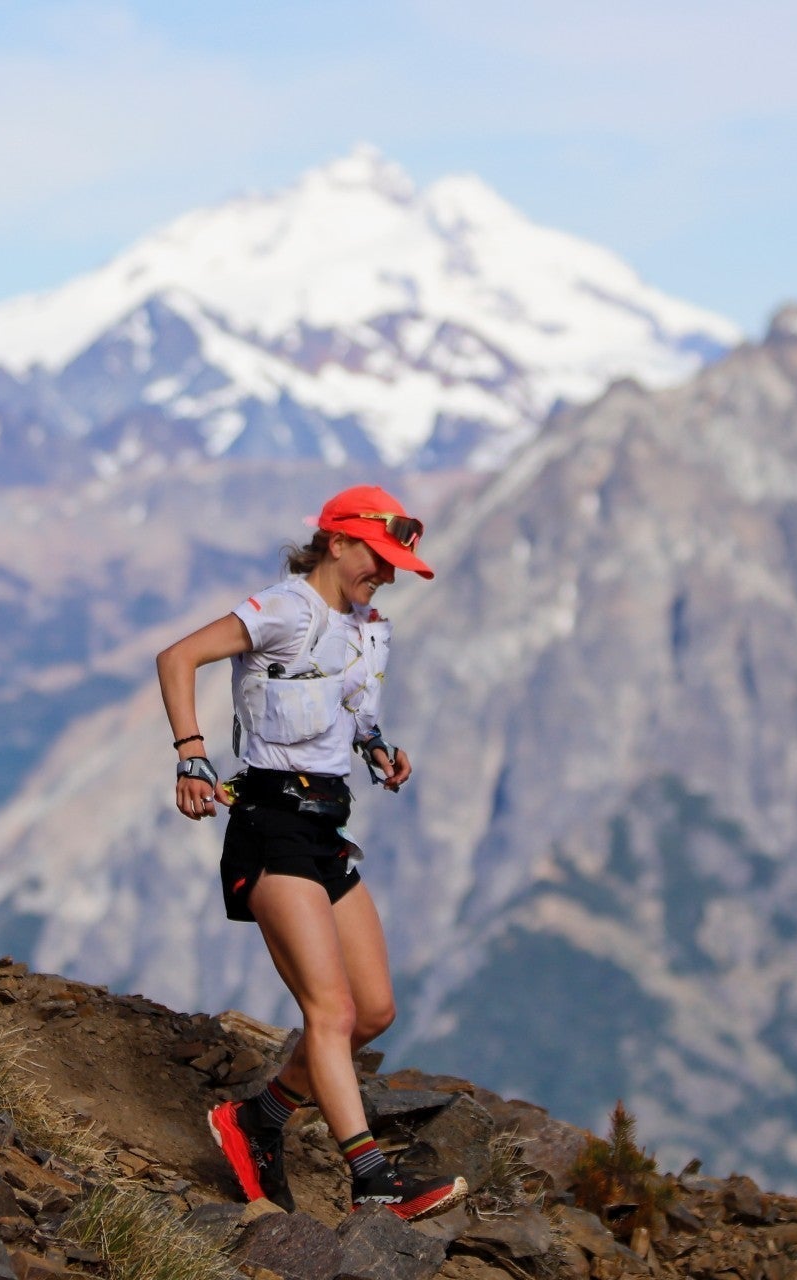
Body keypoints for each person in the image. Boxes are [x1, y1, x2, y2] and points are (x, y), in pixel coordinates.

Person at [154, 484, 466, 1221]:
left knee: (374, 1012)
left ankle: (257, 1118)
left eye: (396, 565)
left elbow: (344, 709)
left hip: (325, 829)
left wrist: (378, 747)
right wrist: (191, 756)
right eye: (378, 558)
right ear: (337, 541)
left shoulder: (365, 626)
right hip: (268, 825)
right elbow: (177, 657)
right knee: (329, 1011)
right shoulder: (284, 609)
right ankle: (374, 1182)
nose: (385, 575)